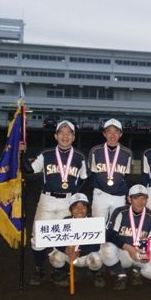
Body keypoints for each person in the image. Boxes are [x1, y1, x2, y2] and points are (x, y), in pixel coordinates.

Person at [21, 119, 88, 286]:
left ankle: (63, 269)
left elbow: (84, 179)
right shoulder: (46, 154)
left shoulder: (79, 157)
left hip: (68, 202)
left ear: (73, 137)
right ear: (55, 136)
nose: (65, 136)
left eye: (69, 133)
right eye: (61, 133)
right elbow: (29, 170)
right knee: (38, 237)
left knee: (63, 237)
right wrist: (21, 154)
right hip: (47, 200)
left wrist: (74, 196)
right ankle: (39, 269)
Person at [100, 184, 151, 290]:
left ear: (147, 200)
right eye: (136, 198)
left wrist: (143, 253)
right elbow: (110, 234)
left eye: (143, 198)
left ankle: (136, 270)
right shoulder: (120, 212)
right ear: (129, 199)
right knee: (106, 249)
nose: (140, 202)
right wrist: (127, 247)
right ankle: (120, 274)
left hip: (140, 252)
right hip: (123, 251)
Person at [48, 193, 105, 288]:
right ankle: (68, 271)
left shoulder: (93, 222)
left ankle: (95, 273)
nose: (80, 210)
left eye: (83, 207)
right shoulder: (65, 221)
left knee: (96, 260)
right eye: (76, 207)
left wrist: (79, 252)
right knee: (54, 258)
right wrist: (65, 250)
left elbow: (96, 246)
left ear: (87, 209)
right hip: (69, 254)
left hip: (85, 256)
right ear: (71, 210)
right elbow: (56, 241)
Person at [88, 119, 132, 222]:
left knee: (117, 225)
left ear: (120, 134)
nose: (112, 135)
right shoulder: (95, 151)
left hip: (119, 196)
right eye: (109, 131)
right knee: (98, 225)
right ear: (104, 133)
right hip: (100, 194)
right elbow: (92, 174)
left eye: (116, 131)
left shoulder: (127, 152)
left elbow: (127, 176)